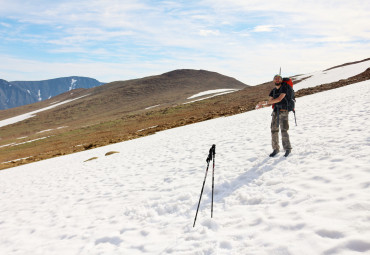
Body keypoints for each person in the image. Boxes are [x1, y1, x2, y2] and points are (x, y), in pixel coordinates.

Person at [256, 75, 292, 157]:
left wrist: (266, 103)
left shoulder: (285, 88)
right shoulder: (273, 91)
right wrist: (262, 105)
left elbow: (279, 99)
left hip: (283, 111)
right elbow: (270, 102)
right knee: (274, 130)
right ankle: (276, 149)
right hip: (275, 112)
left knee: (284, 130)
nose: (277, 80)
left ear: (281, 80)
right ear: (273, 81)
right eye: (276, 79)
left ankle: (287, 149)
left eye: (279, 79)